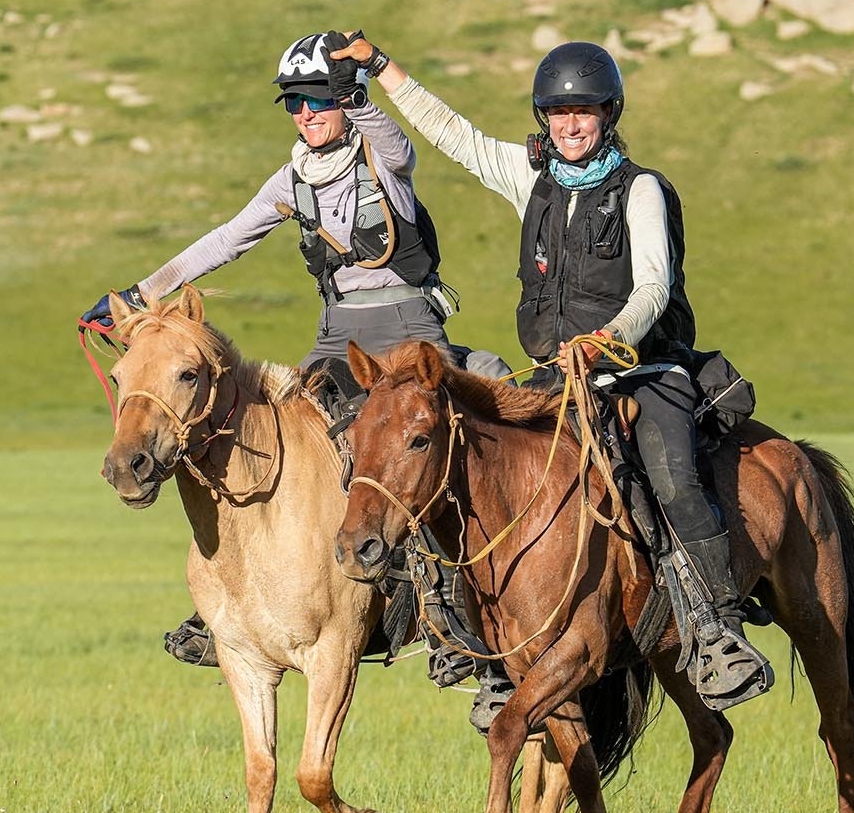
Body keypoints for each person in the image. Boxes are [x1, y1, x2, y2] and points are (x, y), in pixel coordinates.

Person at [330, 36, 773, 710]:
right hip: (550, 383)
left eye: (585, 112)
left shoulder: (642, 190)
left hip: (643, 370)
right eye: (558, 112)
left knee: (673, 479)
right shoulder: (528, 175)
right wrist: (383, 67)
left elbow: (653, 288)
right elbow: (454, 135)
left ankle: (715, 628)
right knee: (461, 469)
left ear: (609, 115)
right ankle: (475, 643)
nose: (570, 124)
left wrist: (605, 341)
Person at [81, 32, 504, 691]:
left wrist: (357, 86)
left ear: (344, 100)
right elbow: (227, 240)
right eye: (295, 103)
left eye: (319, 100)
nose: (306, 113)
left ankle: (449, 605)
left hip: (412, 333)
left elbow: (399, 145)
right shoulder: (291, 181)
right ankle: (245, 600)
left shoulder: (380, 156)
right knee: (278, 434)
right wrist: (143, 293)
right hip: (338, 340)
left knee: (418, 446)